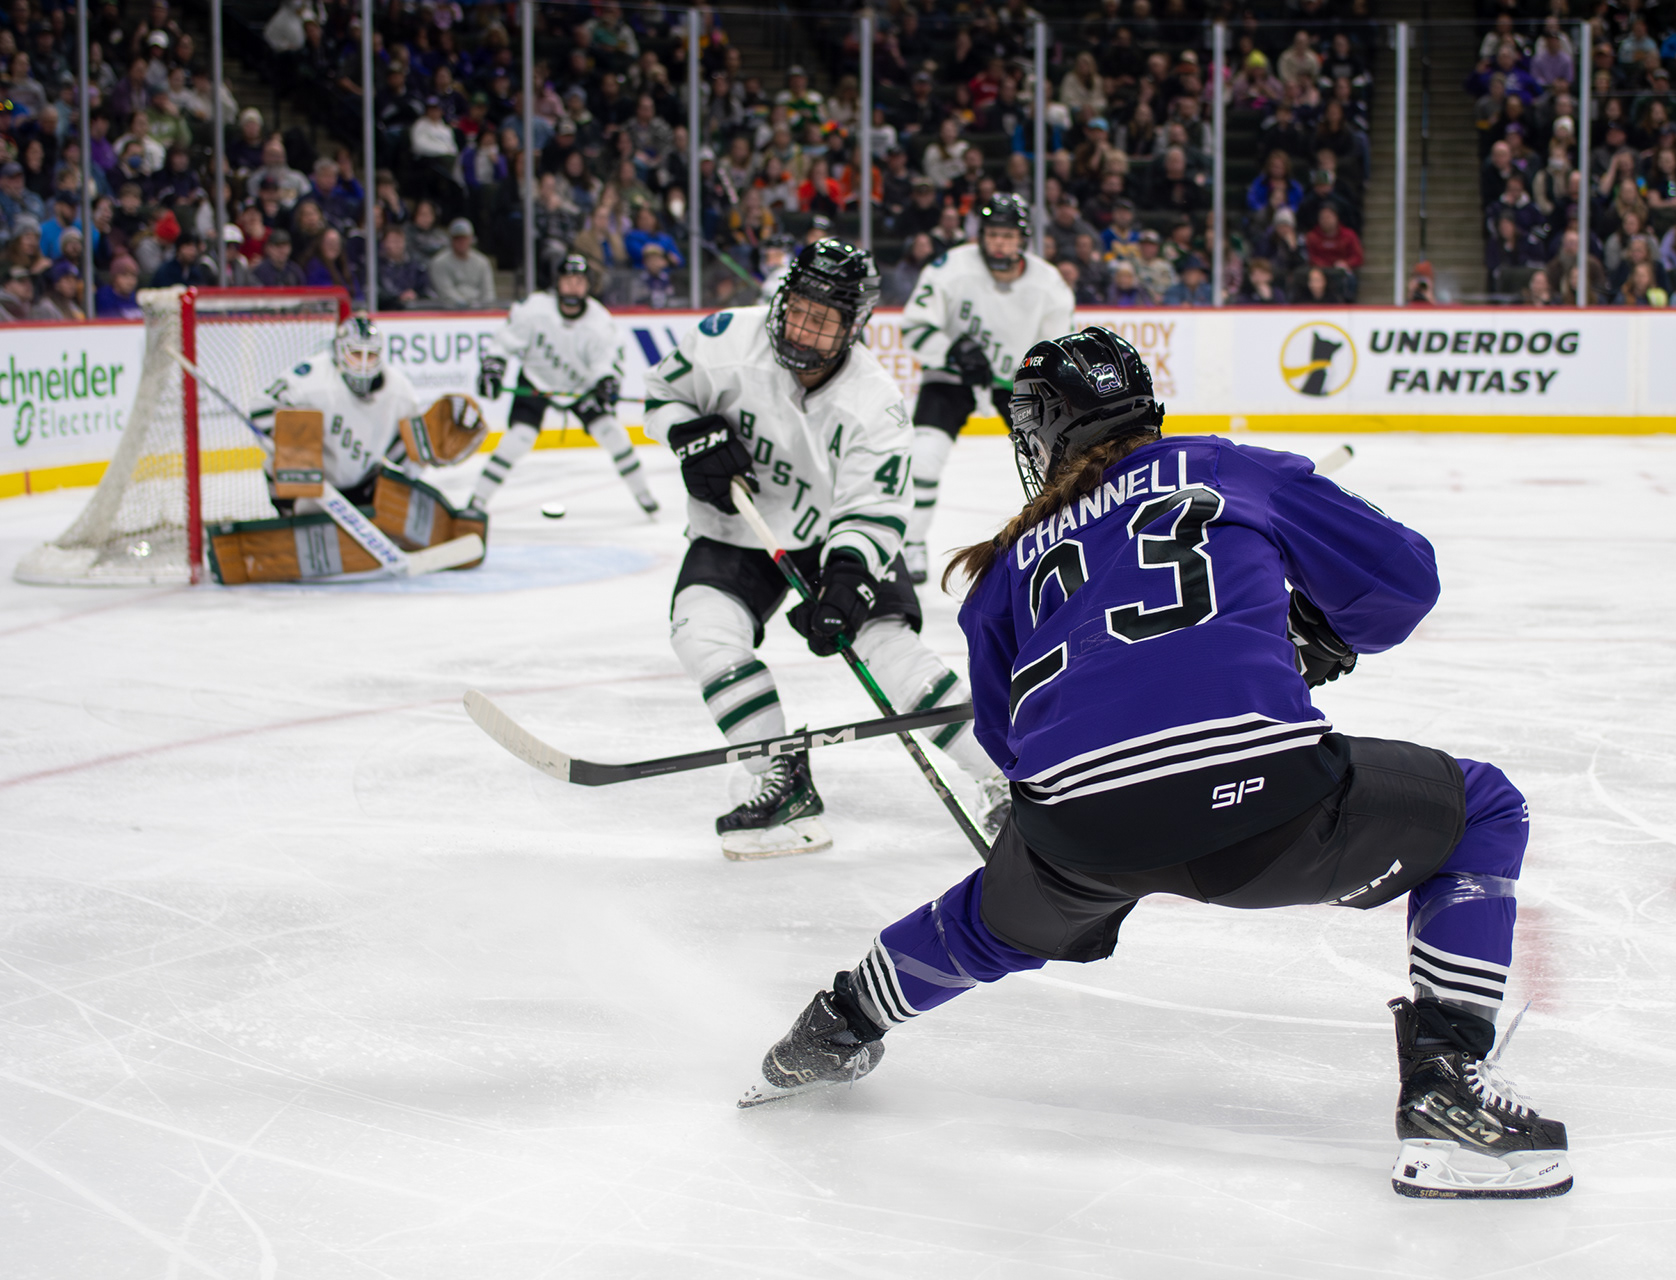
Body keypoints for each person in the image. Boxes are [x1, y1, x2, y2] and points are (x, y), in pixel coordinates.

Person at [734, 325, 1573, 1201]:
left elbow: (1006, 741)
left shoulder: (1005, 566)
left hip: (1079, 827)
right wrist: (1316, 633)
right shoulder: (1226, 465)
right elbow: (1404, 585)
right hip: (1260, 808)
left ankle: (828, 1030)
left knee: (992, 919)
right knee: (1481, 809)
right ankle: (1443, 1081)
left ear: (1050, 428)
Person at [636, 239, 1008, 857]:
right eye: (798, 309)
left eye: (824, 318)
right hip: (740, 522)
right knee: (700, 628)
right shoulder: (727, 337)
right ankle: (780, 775)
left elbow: (879, 510)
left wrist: (848, 579)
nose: (803, 329)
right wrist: (688, 434)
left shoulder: (876, 404)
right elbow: (660, 392)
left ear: (855, 325)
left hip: (835, 533)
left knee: (890, 651)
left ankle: (1003, 779)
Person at [897, 194, 1075, 583]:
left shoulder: (1049, 284)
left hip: (1018, 385)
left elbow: (1057, 351)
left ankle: (1064, 538)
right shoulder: (951, 267)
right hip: (951, 376)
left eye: (1007, 236)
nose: (999, 243)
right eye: (993, 234)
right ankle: (911, 543)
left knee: (1055, 467)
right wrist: (952, 349)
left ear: (1022, 239)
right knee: (923, 458)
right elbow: (914, 325)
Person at [467, 253, 657, 517]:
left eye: (579, 281)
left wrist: (607, 383)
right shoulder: (534, 309)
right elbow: (504, 342)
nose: (573, 287)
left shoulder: (599, 322)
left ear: (588, 285)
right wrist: (493, 369)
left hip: (582, 387)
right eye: (568, 280)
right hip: (537, 380)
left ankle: (644, 496)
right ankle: (477, 501)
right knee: (518, 439)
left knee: (612, 433)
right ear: (557, 282)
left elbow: (607, 362)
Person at [248, 313, 424, 510]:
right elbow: (260, 408)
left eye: (371, 355)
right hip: (306, 491)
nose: (364, 363)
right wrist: (291, 445)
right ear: (340, 350)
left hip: (361, 486)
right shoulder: (312, 378)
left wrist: (427, 457)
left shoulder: (399, 391)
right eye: (356, 353)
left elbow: (405, 452)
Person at [428, 216, 496, 306]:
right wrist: (467, 305)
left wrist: (482, 306)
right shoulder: (439, 262)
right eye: (457, 238)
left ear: (471, 239)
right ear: (451, 240)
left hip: (479, 311)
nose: (461, 242)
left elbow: (488, 292)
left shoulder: (482, 262)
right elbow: (446, 293)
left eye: (464, 238)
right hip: (449, 313)